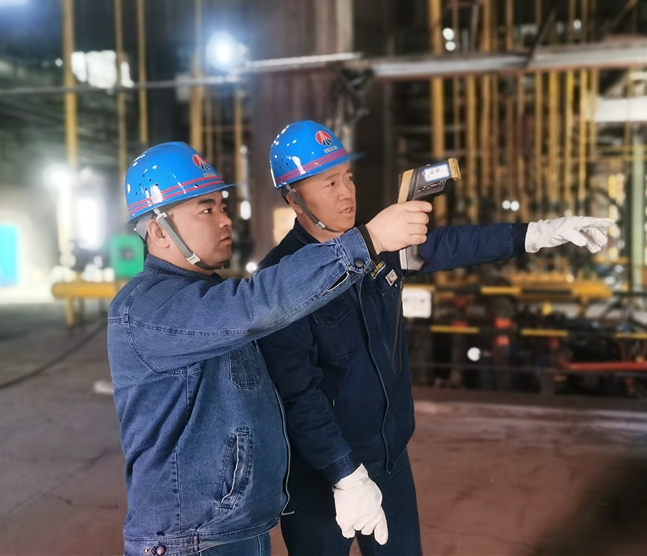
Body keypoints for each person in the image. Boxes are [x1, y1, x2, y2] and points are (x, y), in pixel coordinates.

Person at [257, 120, 613, 555]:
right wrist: (343, 473)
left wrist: (536, 234)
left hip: (388, 458)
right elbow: (297, 392)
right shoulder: (280, 279)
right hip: (319, 476)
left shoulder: (377, 247)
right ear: (293, 197)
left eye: (348, 177)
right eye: (329, 183)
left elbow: (451, 244)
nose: (347, 193)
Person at [106, 141, 432, 556]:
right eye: (206, 209)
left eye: (223, 206)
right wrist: (366, 241)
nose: (225, 220)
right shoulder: (147, 308)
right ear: (157, 230)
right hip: (189, 541)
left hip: (239, 529)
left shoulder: (208, 296)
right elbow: (255, 304)